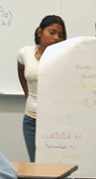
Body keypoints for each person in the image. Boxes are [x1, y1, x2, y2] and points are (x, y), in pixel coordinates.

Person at [17, 15, 67, 162]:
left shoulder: (65, 58)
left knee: (56, 166)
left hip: (55, 121)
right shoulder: (25, 53)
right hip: (31, 120)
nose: (57, 38)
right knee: (35, 164)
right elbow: (21, 69)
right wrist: (27, 93)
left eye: (61, 35)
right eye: (52, 32)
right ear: (40, 32)